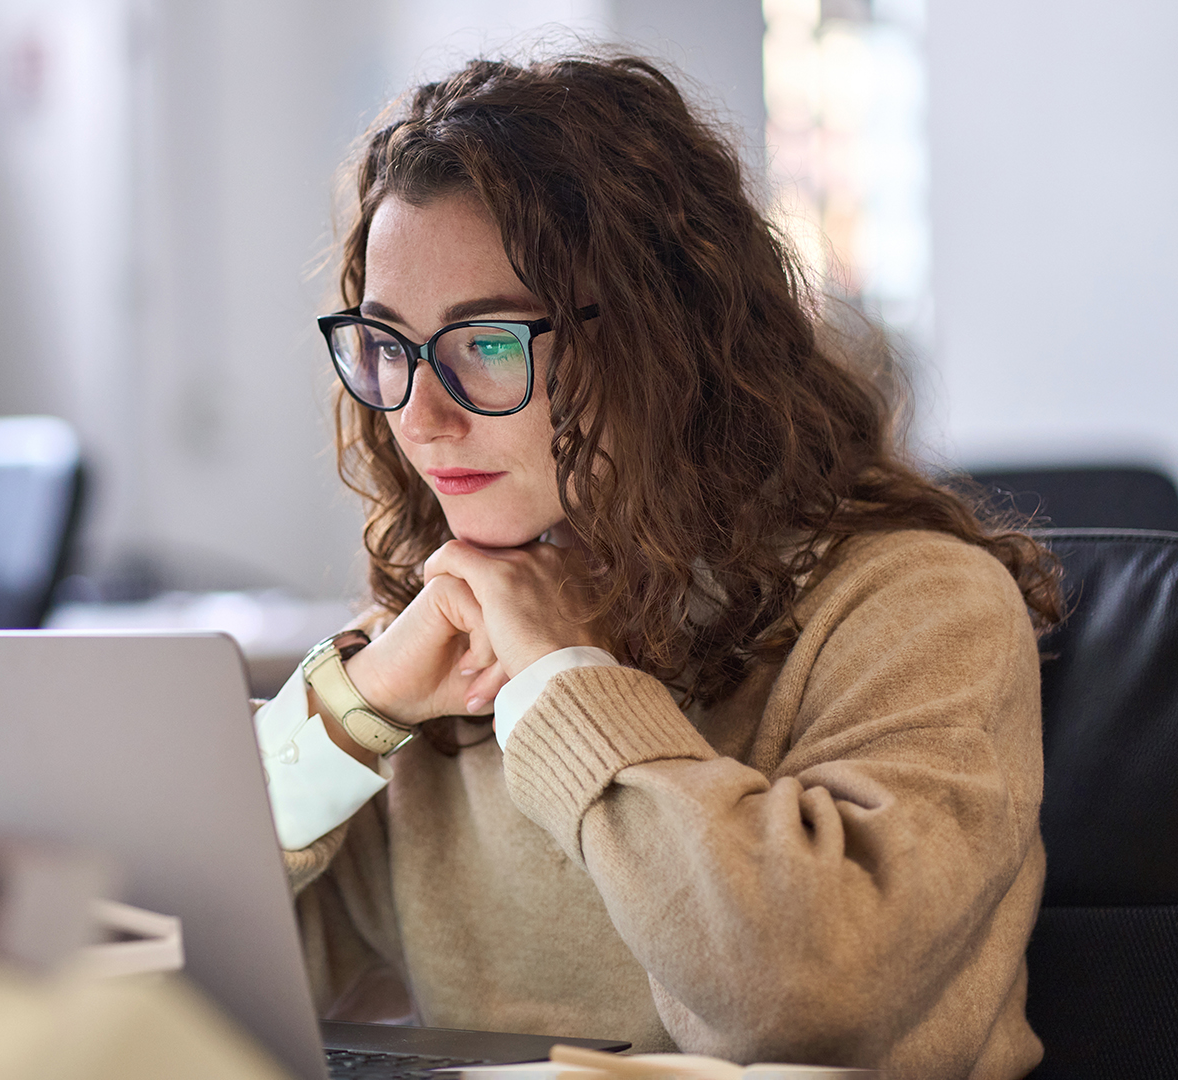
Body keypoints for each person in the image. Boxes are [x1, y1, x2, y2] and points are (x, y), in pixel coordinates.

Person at [249, 51, 1062, 1079]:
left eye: (488, 343)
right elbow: (169, 949)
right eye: (389, 347)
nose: (421, 413)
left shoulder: (917, 608)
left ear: (662, 340)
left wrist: (561, 683)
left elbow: (799, 1002)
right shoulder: (446, 630)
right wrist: (356, 705)